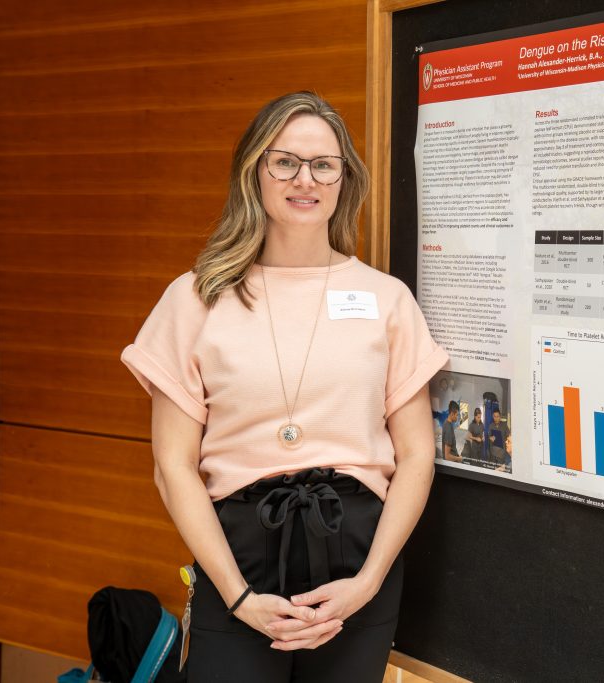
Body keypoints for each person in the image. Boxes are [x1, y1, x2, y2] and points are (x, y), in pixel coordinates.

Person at [120, 92, 448, 682]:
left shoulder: (387, 299)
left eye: (324, 164)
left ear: (344, 178)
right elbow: (172, 466)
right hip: (236, 563)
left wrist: (369, 581)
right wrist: (238, 597)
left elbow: (418, 455)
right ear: (255, 171)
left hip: (360, 563)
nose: (306, 179)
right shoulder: (195, 297)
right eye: (285, 161)